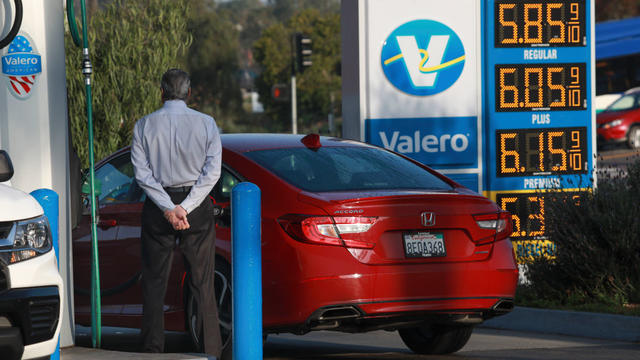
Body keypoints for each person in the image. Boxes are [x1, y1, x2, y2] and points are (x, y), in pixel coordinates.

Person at [131, 68, 223, 357]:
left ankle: (152, 348)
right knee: (202, 281)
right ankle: (211, 350)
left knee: (154, 281)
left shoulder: (143, 125)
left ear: (161, 92)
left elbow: (142, 174)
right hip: (196, 209)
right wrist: (185, 207)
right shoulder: (207, 124)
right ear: (189, 93)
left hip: (158, 209)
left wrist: (168, 208)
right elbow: (212, 173)